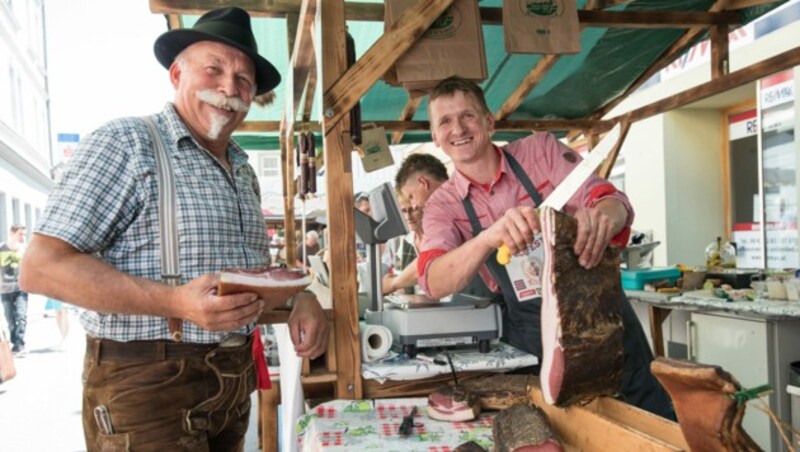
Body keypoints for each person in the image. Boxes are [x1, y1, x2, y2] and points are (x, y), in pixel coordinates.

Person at [19, 7, 329, 450]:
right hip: (147, 388)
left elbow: (246, 286)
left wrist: (301, 298)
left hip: (232, 385)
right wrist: (174, 302)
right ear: (176, 74)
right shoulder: (126, 142)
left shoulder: (242, 169)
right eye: (214, 69)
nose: (229, 88)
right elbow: (41, 268)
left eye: (244, 79)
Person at [417, 75, 674, 419]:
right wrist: (488, 237)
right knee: (557, 427)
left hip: (599, 313)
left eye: (468, 116)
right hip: (531, 334)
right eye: (445, 121)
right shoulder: (443, 205)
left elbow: (612, 201)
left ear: (489, 122)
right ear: (435, 136)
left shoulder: (541, 151)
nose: (458, 128)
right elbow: (432, 281)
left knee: (646, 413)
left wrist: (602, 219)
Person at [381, 154, 448, 294]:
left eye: (411, 197)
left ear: (423, 183)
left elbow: (431, 259)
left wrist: (394, 283)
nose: (415, 204)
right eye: (404, 210)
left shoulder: (448, 213)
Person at [1, 224, 28, 356]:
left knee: (21, 316)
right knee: (10, 319)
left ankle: (20, 345)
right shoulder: (1, 248)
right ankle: (15, 342)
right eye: (20, 234)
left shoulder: (24, 249)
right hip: (4, 290)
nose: (23, 237)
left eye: (24, 235)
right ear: (11, 233)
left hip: (21, 289)